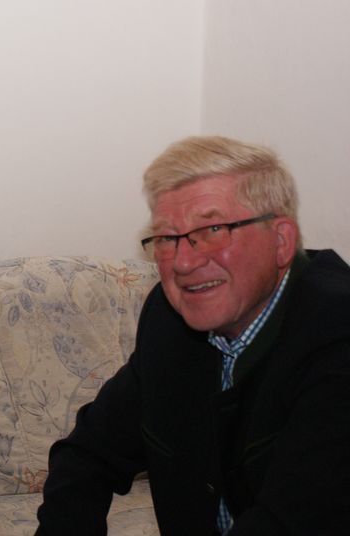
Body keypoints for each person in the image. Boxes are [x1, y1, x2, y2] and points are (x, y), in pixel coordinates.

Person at [35, 135, 350, 535]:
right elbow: (86, 455)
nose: (183, 263)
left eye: (214, 228)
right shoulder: (170, 318)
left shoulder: (336, 332)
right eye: (167, 238)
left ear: (281, 241)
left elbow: (292, 520)